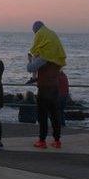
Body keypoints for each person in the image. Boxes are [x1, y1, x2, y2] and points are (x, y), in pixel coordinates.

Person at [27, 21, 65, 149]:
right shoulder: (56, 56)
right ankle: (57, 140)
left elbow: (30, 68)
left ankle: (42, 141)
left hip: (44, 88)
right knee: (55, 115)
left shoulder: (44, 56)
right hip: (55, 88)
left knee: (42, 115)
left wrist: (30, 60)